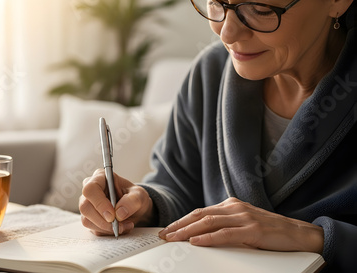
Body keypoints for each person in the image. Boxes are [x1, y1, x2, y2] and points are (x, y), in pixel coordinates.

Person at [79, 0, 357, 272]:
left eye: (260, 10)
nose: (226, 32)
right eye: (216, 4)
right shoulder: (209, 72)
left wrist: (315, 238)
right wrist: (141, 204)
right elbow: (177, 185)